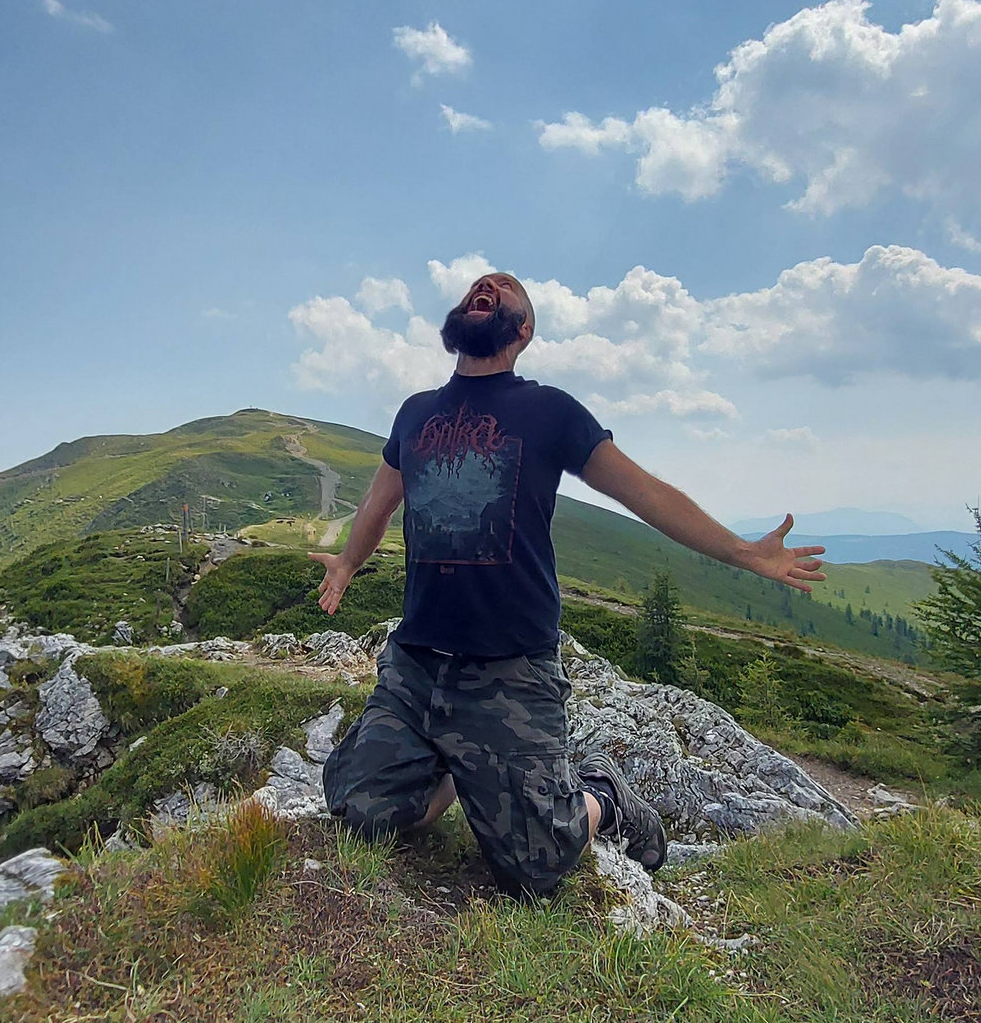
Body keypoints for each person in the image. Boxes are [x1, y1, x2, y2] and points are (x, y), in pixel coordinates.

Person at [310, 272, 826, 897]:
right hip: (416, 663)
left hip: (510, 670)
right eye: (480, 283)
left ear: (522, 329)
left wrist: (745, 552)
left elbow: (646, 493)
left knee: (536, 867)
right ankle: (459, 762)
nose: (488, 285)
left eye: (505, 287)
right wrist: (347, 562)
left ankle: (605, 793)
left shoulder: (550, 411)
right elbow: (379, 500)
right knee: (361, 813)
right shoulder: (416, 412)